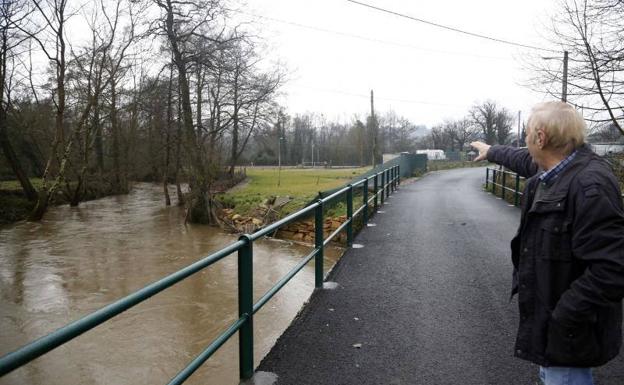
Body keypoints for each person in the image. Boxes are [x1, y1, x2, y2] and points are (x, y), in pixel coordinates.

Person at [470, 101, 624, 385]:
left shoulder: (590, 186)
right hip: (555, 330)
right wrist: (492, 151)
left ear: (540, 138)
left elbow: (612, 269)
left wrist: (562, 316)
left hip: (568, 335)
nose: (525, 140)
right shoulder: (558, 169)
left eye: (527, 134)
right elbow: (525, 160)